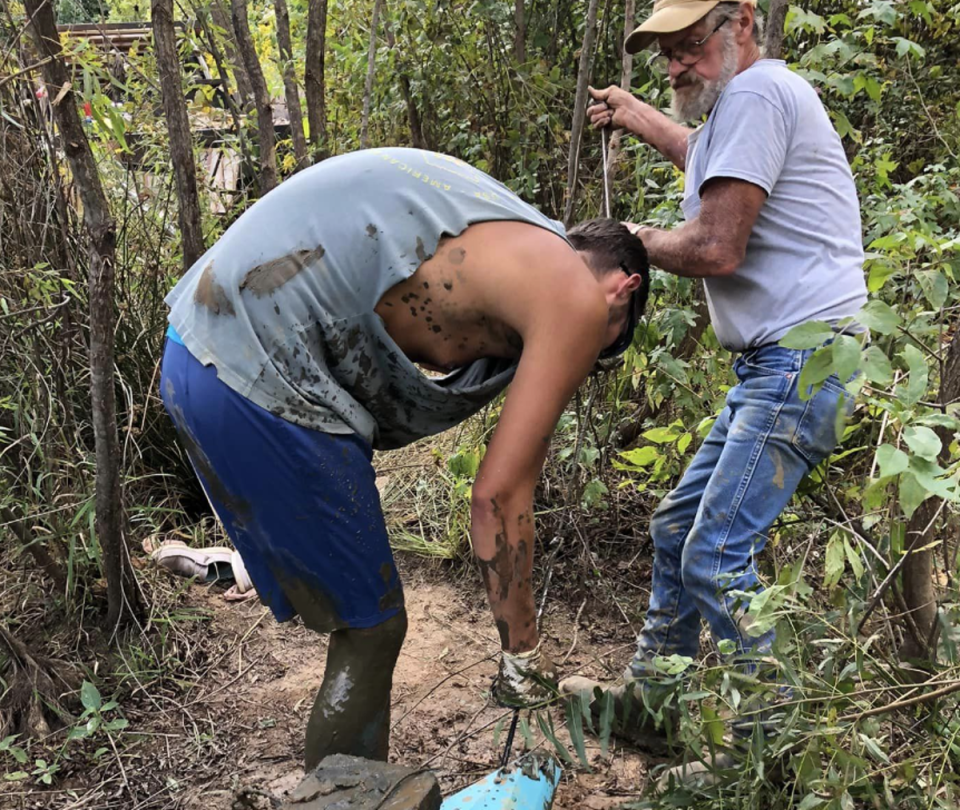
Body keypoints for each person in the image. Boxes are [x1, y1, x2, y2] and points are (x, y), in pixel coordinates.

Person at [159, 147, 650, 770]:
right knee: (371, 631)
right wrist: (523, 656)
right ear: (622, 291)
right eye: (607, 348)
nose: (589, 359)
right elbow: (500, 495)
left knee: (354, 609)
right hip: (254, 370)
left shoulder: (501, 230)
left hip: (192, 350)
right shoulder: (577, 296)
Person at [560, 0, 867, 786]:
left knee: (717, 554)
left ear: (744, 24)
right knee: (678, 530)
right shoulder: (742, 108)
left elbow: (715, 245)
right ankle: (655, 707)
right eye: (665, 54)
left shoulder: (761, 93)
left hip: (803, 360)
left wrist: (627, 243)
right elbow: (703, 152)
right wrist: (637, 117)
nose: (674, 68)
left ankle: (769, 759)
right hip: (780, 364)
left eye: (689, 46)